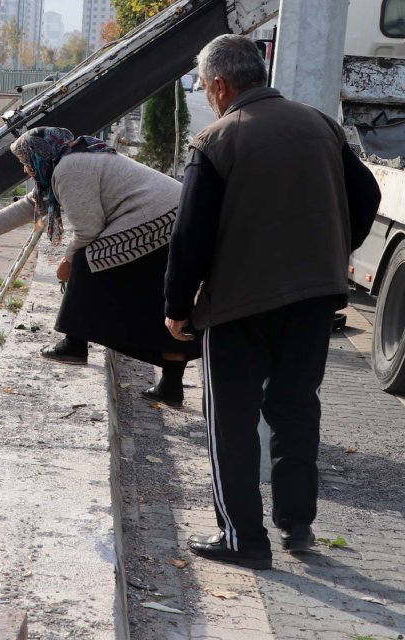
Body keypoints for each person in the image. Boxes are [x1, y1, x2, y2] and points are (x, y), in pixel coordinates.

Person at [164, 35, 380, 569]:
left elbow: (189, 235)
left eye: (204, 86)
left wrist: (175, 304)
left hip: (239, 303)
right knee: (295, 407)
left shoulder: (216, 140)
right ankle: (298, 526)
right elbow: (368, 195)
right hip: (314, 297)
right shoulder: (320, 124)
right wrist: (331, 252)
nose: (205, 95)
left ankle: (242, 538)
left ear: (219, 84)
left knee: (231, 420)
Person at [0, 126, 199, 405]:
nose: (24, 170)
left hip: (160, 222)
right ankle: (170, 387)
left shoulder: (70, 169)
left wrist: (66, 262)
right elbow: (32, 204)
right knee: (160, 304)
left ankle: (74, 345)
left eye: (25, 162)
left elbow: (88, 231)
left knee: (85, 263)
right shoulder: (71, 159)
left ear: (41, 156)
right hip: (176, 219)